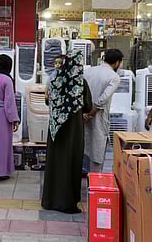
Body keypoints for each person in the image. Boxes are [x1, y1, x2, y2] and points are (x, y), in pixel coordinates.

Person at [42, 50, 92, 214]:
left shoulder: (54, 80)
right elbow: (88, 105)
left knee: (54, 164)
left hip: (55, 130)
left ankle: (50, 200)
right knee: (71, 163)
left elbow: (47, 100)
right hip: (73, 130)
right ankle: (67, 202)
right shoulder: (79, 82)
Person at [83, 49, 123, 173]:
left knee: (84, 144)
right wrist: (92, 113)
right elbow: (103, 98)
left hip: (83, 114)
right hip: (98, 115)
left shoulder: (88, 71)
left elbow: (79, 92)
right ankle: (95, 181)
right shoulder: (114, 77)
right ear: (117, 62)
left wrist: (84, 113)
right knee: (98, 149)